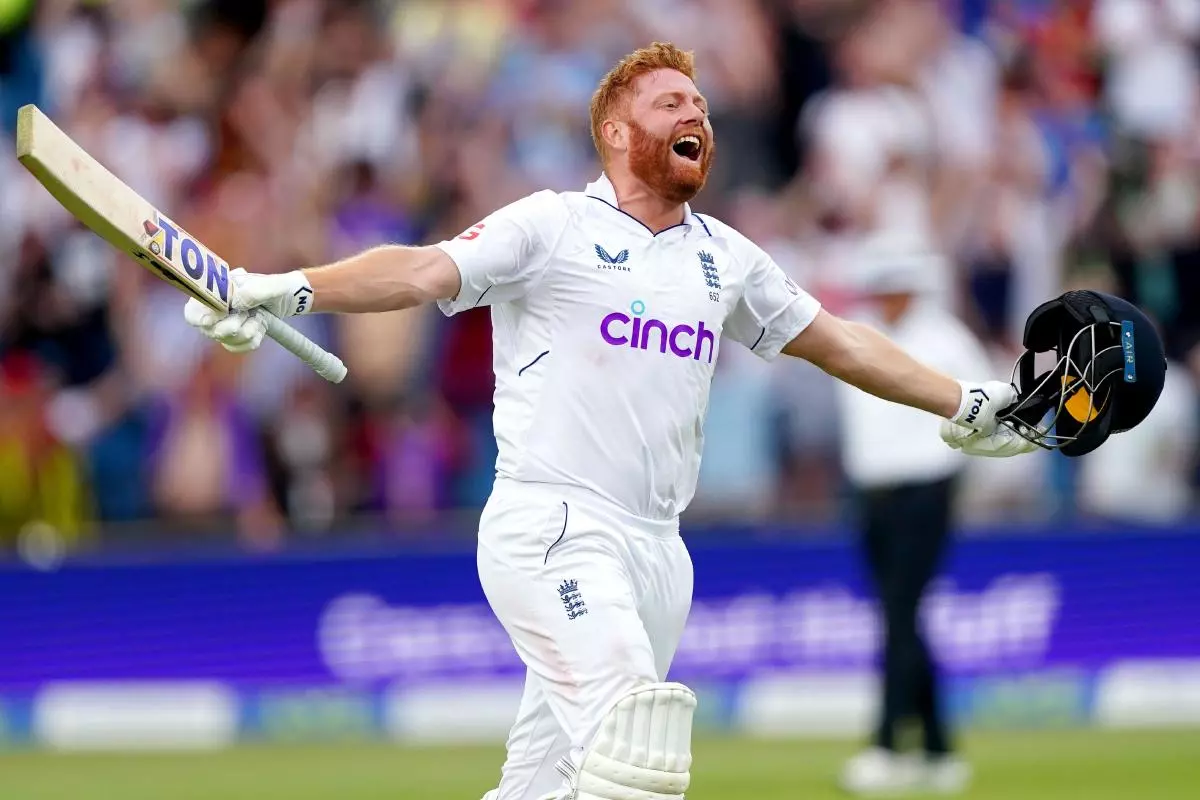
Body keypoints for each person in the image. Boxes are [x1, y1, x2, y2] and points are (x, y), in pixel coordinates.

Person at [183, 42, 1033, 800]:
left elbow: (840, 342)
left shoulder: (725, 258)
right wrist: (285, 287)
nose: (696, 112)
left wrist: (963, 400)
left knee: (545, 785)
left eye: (698, 104)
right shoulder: (552, 225)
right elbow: (418, 271)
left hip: (660, 554)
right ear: (619, 136)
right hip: (554, 527)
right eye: (670, 103)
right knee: (638, 750)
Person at [834, 238, 991, 796]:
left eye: (893, 289)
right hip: (870, 494)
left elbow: (987, 410)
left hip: (927, 491)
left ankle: (884, 744)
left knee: (900, 614)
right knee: (900, 617)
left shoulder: (946, 340)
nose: (885, 298)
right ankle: (937, 746)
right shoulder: (855, 332)